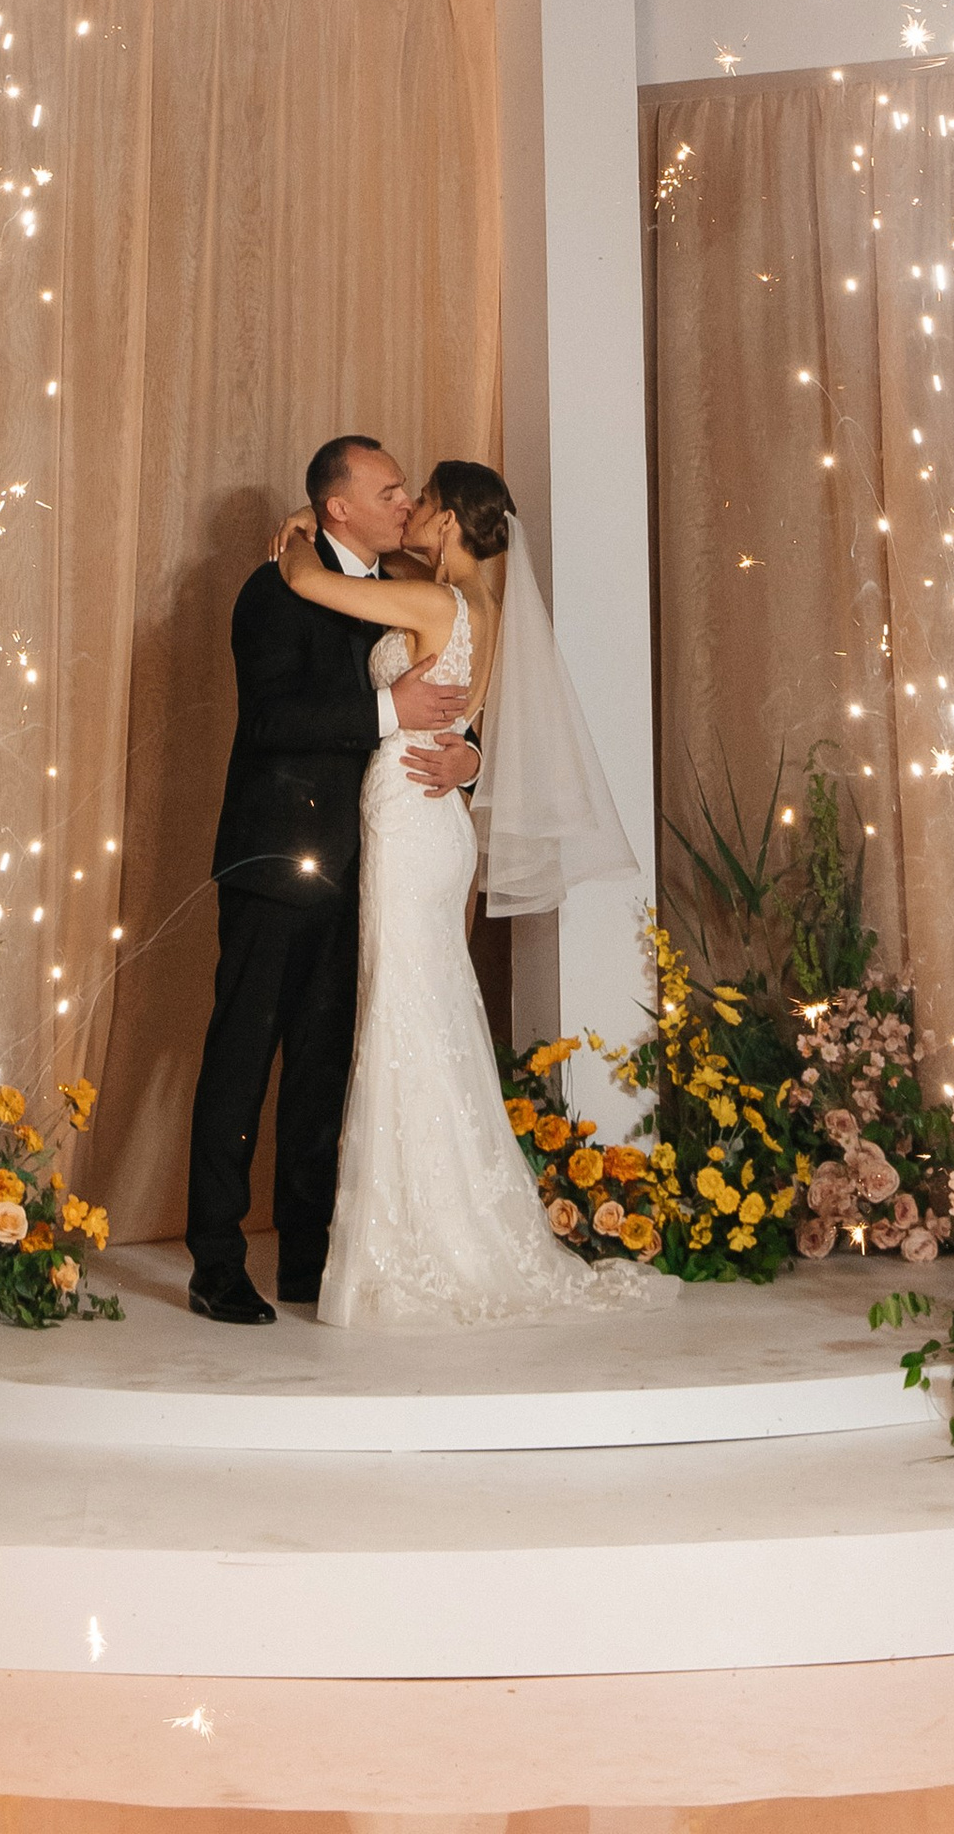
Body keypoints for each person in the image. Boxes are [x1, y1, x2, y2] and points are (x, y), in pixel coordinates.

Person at [273, 456, 670, 1328]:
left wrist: (302, 532)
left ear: (450, 522)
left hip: (409, 819)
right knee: (428, 1008)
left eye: (426, 503)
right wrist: (475, 756)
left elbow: (310, 583)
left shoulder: (430, 602)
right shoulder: (477, 606)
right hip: (436, 814)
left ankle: (414, 1235)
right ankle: (438, 1216)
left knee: (401, 1011)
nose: (410, 508)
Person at [184, 437, 479, 1323]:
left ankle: (307, 1259)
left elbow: (449, 688)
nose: (405, 501)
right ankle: (216, 1261)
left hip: (367, 862)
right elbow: (272, 717)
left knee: (322, 1066)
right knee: (243, 1058)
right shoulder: (271, 587)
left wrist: (467, 755)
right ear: (337, 506)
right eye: (388, 489)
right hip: (276, 859)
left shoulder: (383, 585)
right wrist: (390, 710)